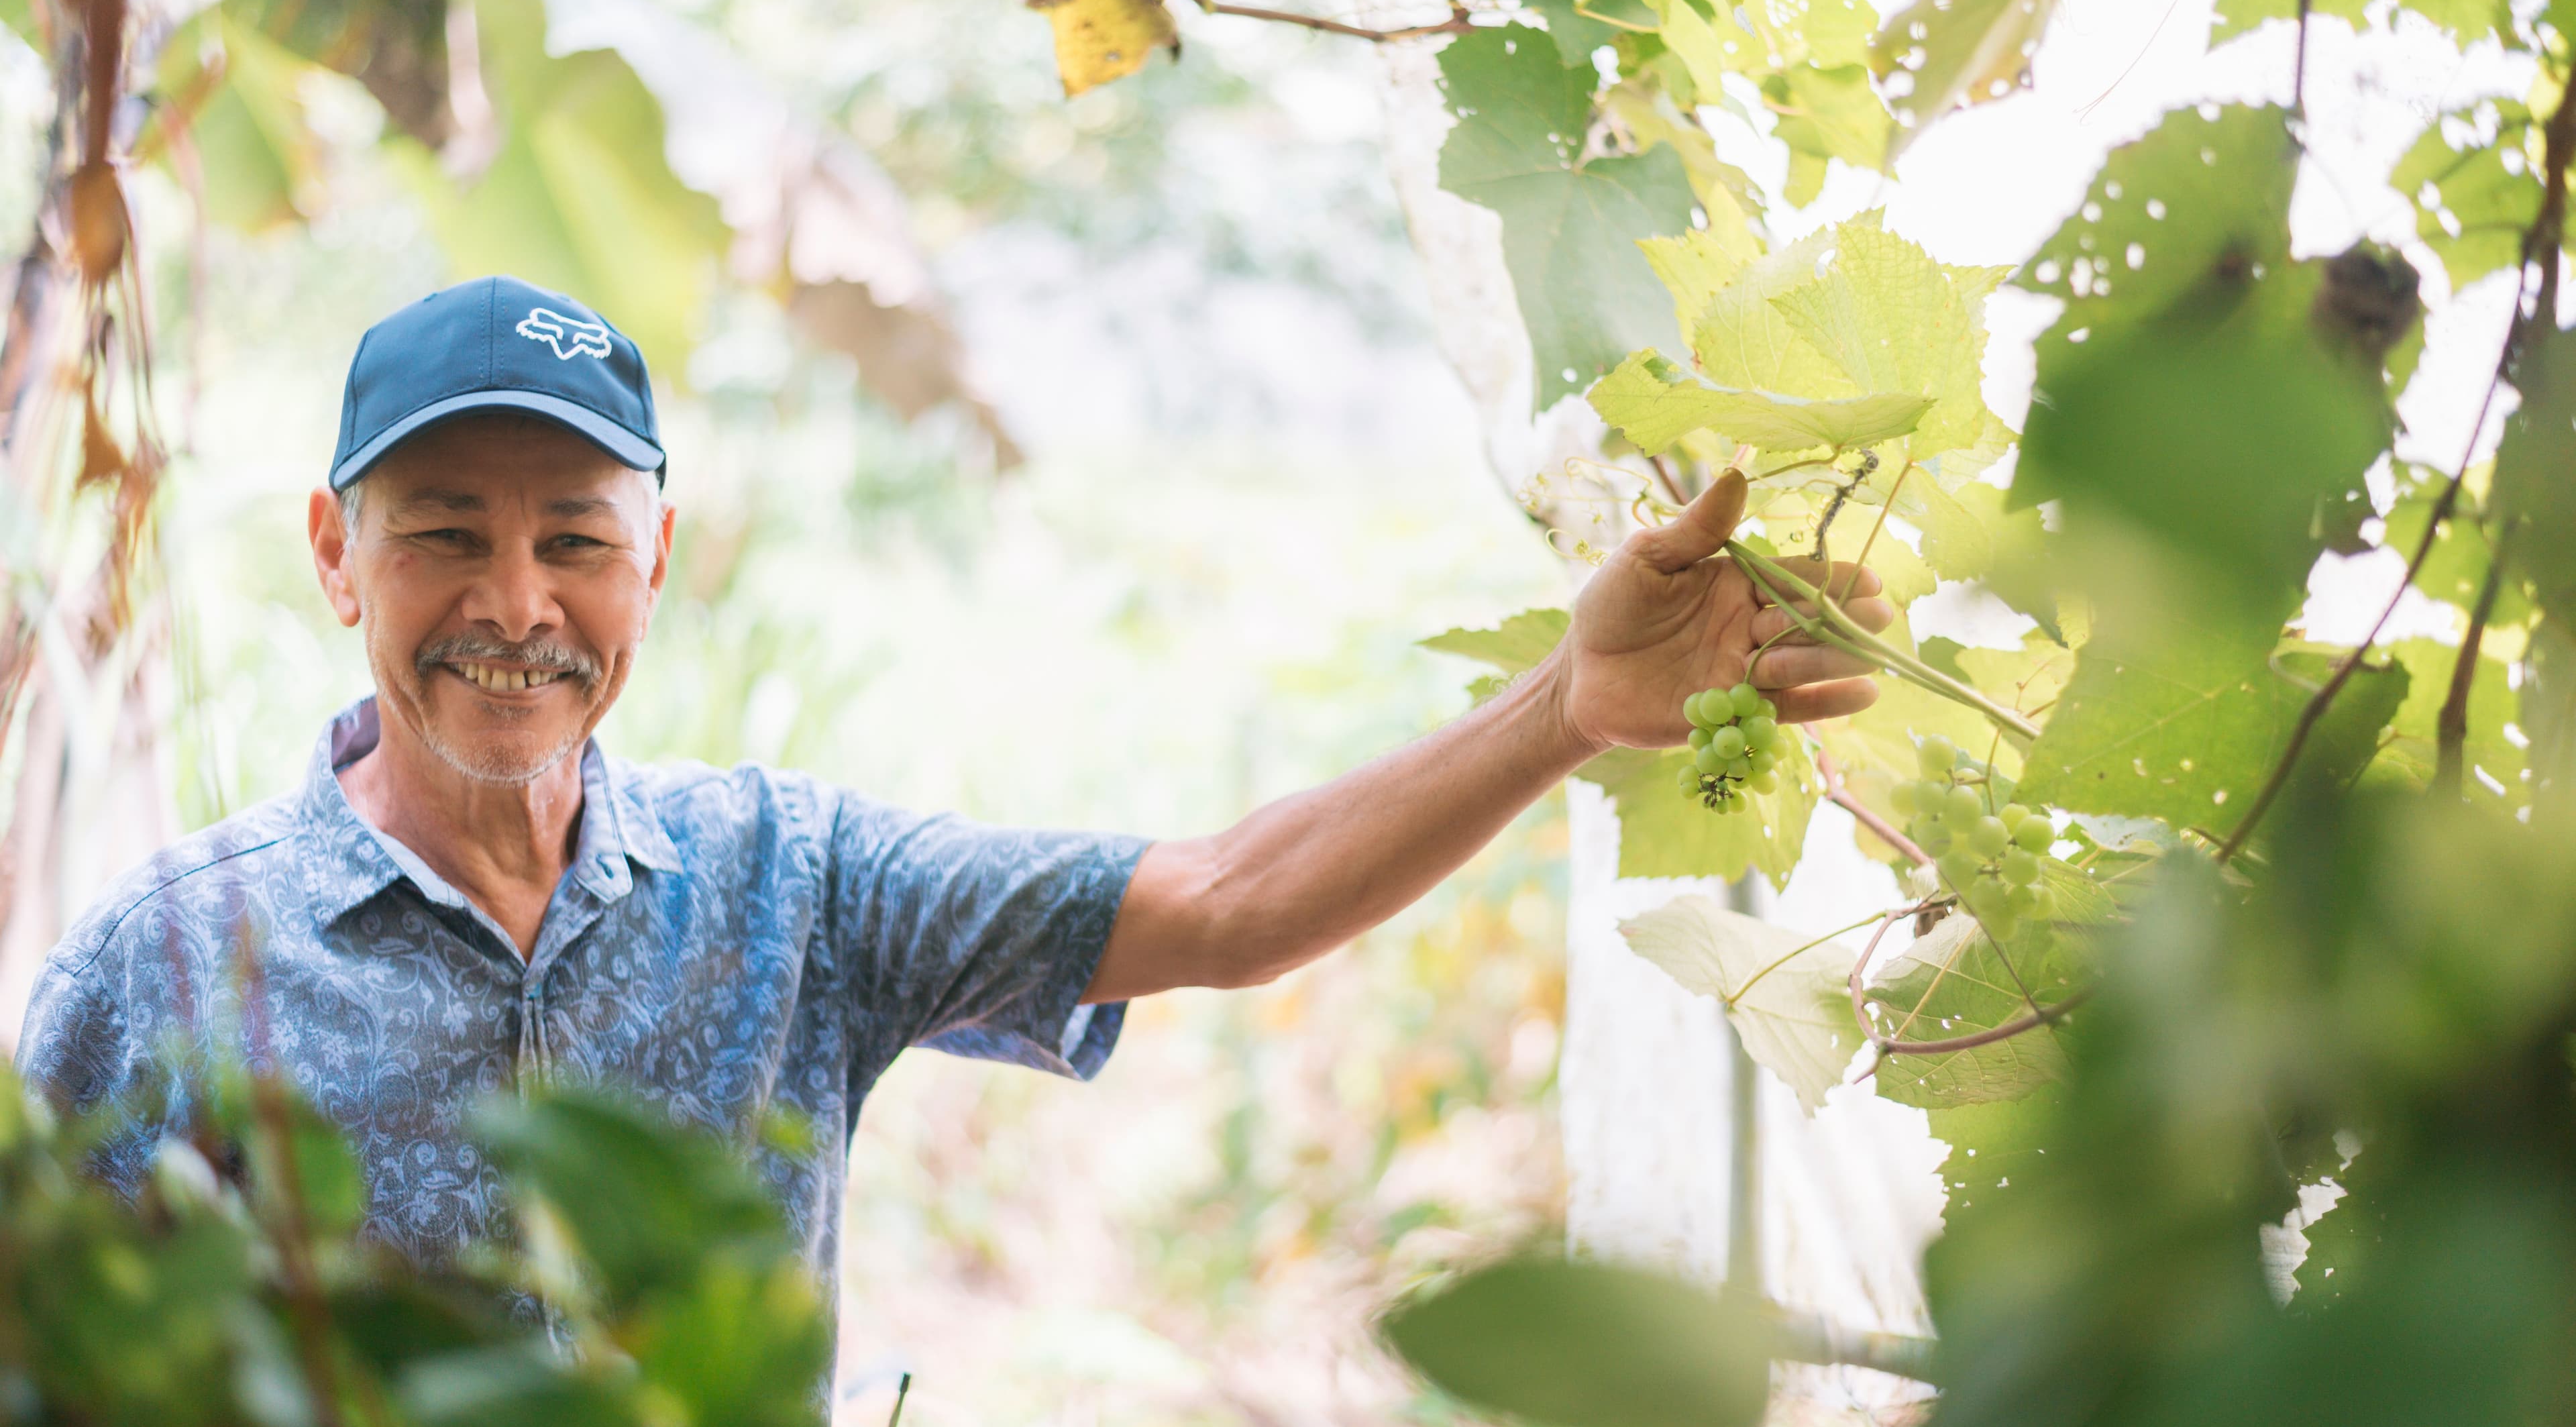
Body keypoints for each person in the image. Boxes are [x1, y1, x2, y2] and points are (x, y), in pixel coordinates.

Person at [15, 276, 1889, 1312]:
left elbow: (1228, 899)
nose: (516, 605)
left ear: (655, 561)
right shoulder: (180, 955)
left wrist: (1567, 706)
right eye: (446, 535)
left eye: (572, 540)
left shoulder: (788, 887)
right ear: (340, 555)